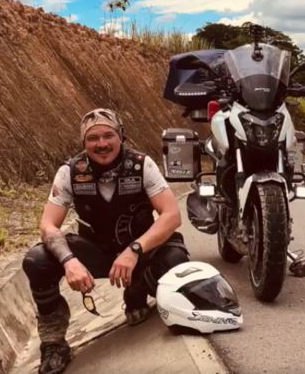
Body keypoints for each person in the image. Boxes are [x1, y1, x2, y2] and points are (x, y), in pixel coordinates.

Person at [22, 108, 190, 374]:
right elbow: (47, 225)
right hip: (98, 251)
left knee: (176, 262)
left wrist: (134, 250)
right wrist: (69, 261)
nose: (101, 144)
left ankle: (136, 291)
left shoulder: (142, 164)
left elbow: (171, 216)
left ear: (121, 136)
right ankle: (53, 343)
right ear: (83, 143)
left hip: (142, 250)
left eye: (108, 135)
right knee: (38, 259)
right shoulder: (70, 172)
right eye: (93, 138)